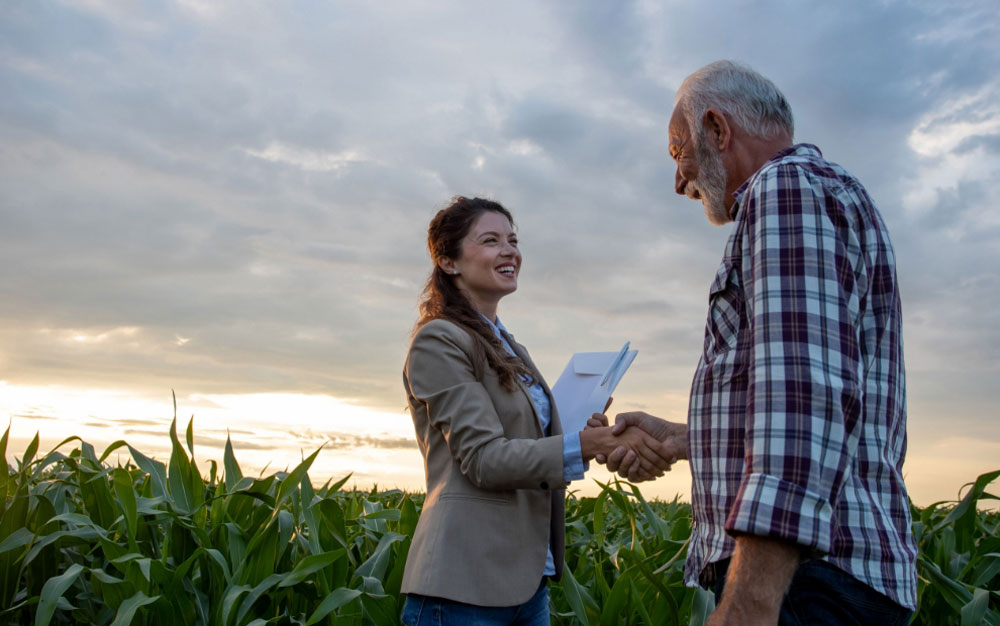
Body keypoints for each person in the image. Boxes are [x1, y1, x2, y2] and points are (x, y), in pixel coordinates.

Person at [593, 61, 918, 625]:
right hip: (819, 577)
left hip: (805, 583)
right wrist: (680, 439)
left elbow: (803, 402)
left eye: (679, 153)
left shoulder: (784, 189)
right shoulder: (821, 194)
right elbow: (824, 403)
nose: (678, 181)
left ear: (718, 130)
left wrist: (750, 601)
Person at [400, 196, 669, 626]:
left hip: (528, 584)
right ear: (449, 261)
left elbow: (530, 445)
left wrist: (582, 428)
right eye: (491, 240)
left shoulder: (511, 347)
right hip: (463, 587)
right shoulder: (439, 341)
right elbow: (484, 458)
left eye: (513, 240)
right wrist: (581, 445)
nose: (509, 251)